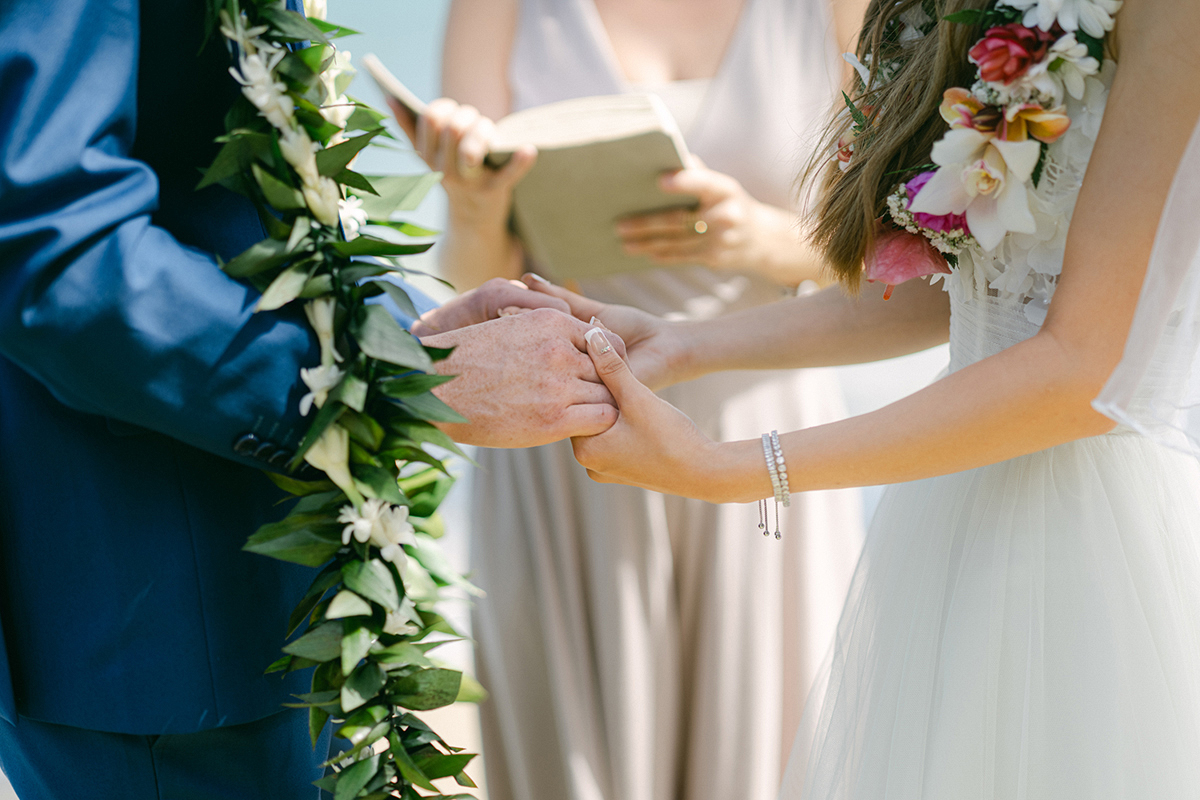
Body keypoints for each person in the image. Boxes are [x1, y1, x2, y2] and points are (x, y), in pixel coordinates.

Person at [520, 0, 1200, 795]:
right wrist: (687, 343)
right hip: (958, 513)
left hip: (1097, 533)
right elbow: (967, 279)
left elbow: (1087, 369)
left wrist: (733, 468)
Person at [0, 0, 618, 796]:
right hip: (158, 620)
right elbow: (53, 247)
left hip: (289, 597)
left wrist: (408, 329)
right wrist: (392, 385)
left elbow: (227, 198)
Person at [388, 1, 872, 798]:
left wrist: (756, 237)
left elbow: (897, 256)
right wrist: (473, 199)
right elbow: (483, 283)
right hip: (571, 441)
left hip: (767, 432)